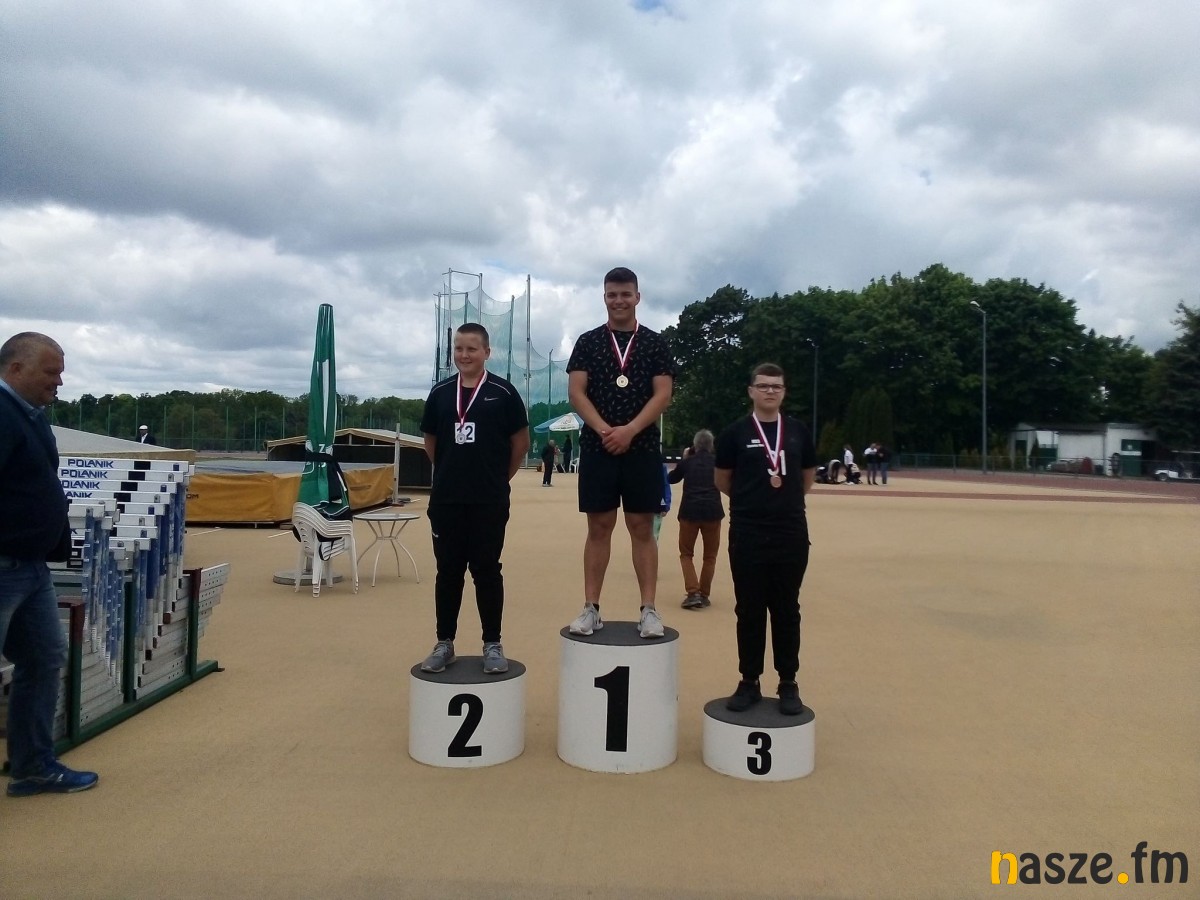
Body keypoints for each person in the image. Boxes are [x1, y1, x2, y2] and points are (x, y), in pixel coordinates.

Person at [1, 332, 100, 796]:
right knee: (42, 659)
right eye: (51, 372)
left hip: (31, 568)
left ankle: (33, 766)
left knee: (43, 658)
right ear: (15, 368)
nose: (59, 382)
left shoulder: (30, 416)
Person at [566, 267, 676, 639]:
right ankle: (591, 608)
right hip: (598, 447)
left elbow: (663, 394)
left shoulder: (655, 343)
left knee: (642, 527)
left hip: (641, 447)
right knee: (598, 527)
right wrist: (604, 430)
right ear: (604, 298)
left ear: (637, 297)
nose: (619, 301)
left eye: (625, 294)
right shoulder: (588, 342)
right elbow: (576, 392)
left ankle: (648, 609)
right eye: (612, 294)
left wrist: (630, 430)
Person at [418, 323, 530, 675]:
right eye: (459, 348)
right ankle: (444, 642)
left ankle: (492, 643)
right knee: (448, 572)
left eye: (471, 349)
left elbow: (521, 443)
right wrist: (450, 472)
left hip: (488, 500)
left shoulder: (504, 392)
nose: (464, 355)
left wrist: (497, 478)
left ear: (486, 352)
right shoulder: (440, 393)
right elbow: (431, 442)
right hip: (447, 500)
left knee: (487, 570)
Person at [714, 363, 817, 716]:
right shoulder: (735, 433)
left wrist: (783, 502)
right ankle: (749, 680)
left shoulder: (798, 432)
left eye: (776, 386)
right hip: (748, 532)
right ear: (751, 391)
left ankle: (788, 681)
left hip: (790, 532)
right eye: (763, 385)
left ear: (784, 392)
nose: (770, 391)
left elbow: (806, 477)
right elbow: (723, 480)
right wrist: (752, 501)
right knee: (749, 609)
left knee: (787, 609)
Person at [668, 430, 725, 610]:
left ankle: (693, 592)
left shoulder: (688, 462)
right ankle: (704, 594)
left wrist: (684, 459)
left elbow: (671, 479)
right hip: (713, 512)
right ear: (711, 445)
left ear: (694, 445)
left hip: (689, 512)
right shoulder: (718, 462)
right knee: (710, 556)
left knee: (686, 554)